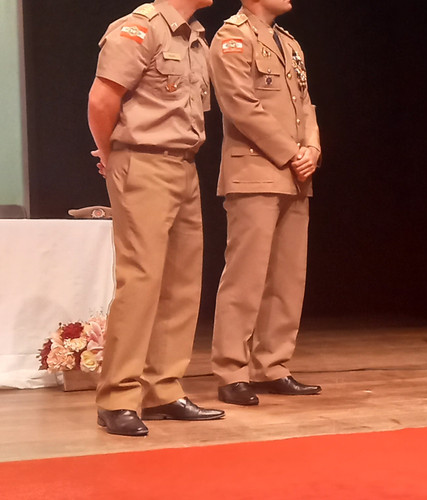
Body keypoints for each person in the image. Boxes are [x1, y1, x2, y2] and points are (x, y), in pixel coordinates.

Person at [87, 0, 224, 437]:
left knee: (181, 282)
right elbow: (102, 98)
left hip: (184, 164)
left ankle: (163, 388)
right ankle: (118, 396)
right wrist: (111, 153)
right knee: (142, 279)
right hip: (143, 161)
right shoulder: (139, 28)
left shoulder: (195, 37)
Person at [209, 0, 322, 406]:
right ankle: (231, 371)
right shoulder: (232, 37)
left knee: (287, 277)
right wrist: (291, 152)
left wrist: (312, 149)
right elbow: (240, 105)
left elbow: (305, 104)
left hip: (295, 174)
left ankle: (272, 365)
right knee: (246, 277)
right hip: (255, 169)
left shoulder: (289, 43)